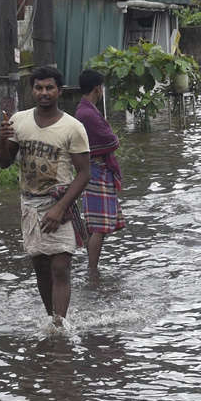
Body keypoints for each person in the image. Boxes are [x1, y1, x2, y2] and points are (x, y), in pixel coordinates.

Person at [0, 66, 91, 327]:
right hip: (30, 204)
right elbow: (4, 162)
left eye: (49, 88)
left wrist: (60, 209)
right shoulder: (19, 121)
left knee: (60, 266)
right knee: (41, 269)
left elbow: (84, 173)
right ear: (32, 91)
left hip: (59, 204)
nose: (44, 92)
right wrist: (3, 140)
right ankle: (53, 321)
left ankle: (59, 326)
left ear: (59, 91)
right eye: (39, 88)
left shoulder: (73, 127)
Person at [75, 69, 125, 276]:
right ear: (98, 88)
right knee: (99, 226)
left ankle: (91, 266)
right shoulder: (87, 113)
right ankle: (92, 270)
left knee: (97, 224)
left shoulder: (85, 110)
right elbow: (111, 140)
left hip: (94, 170)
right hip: (96, 171)